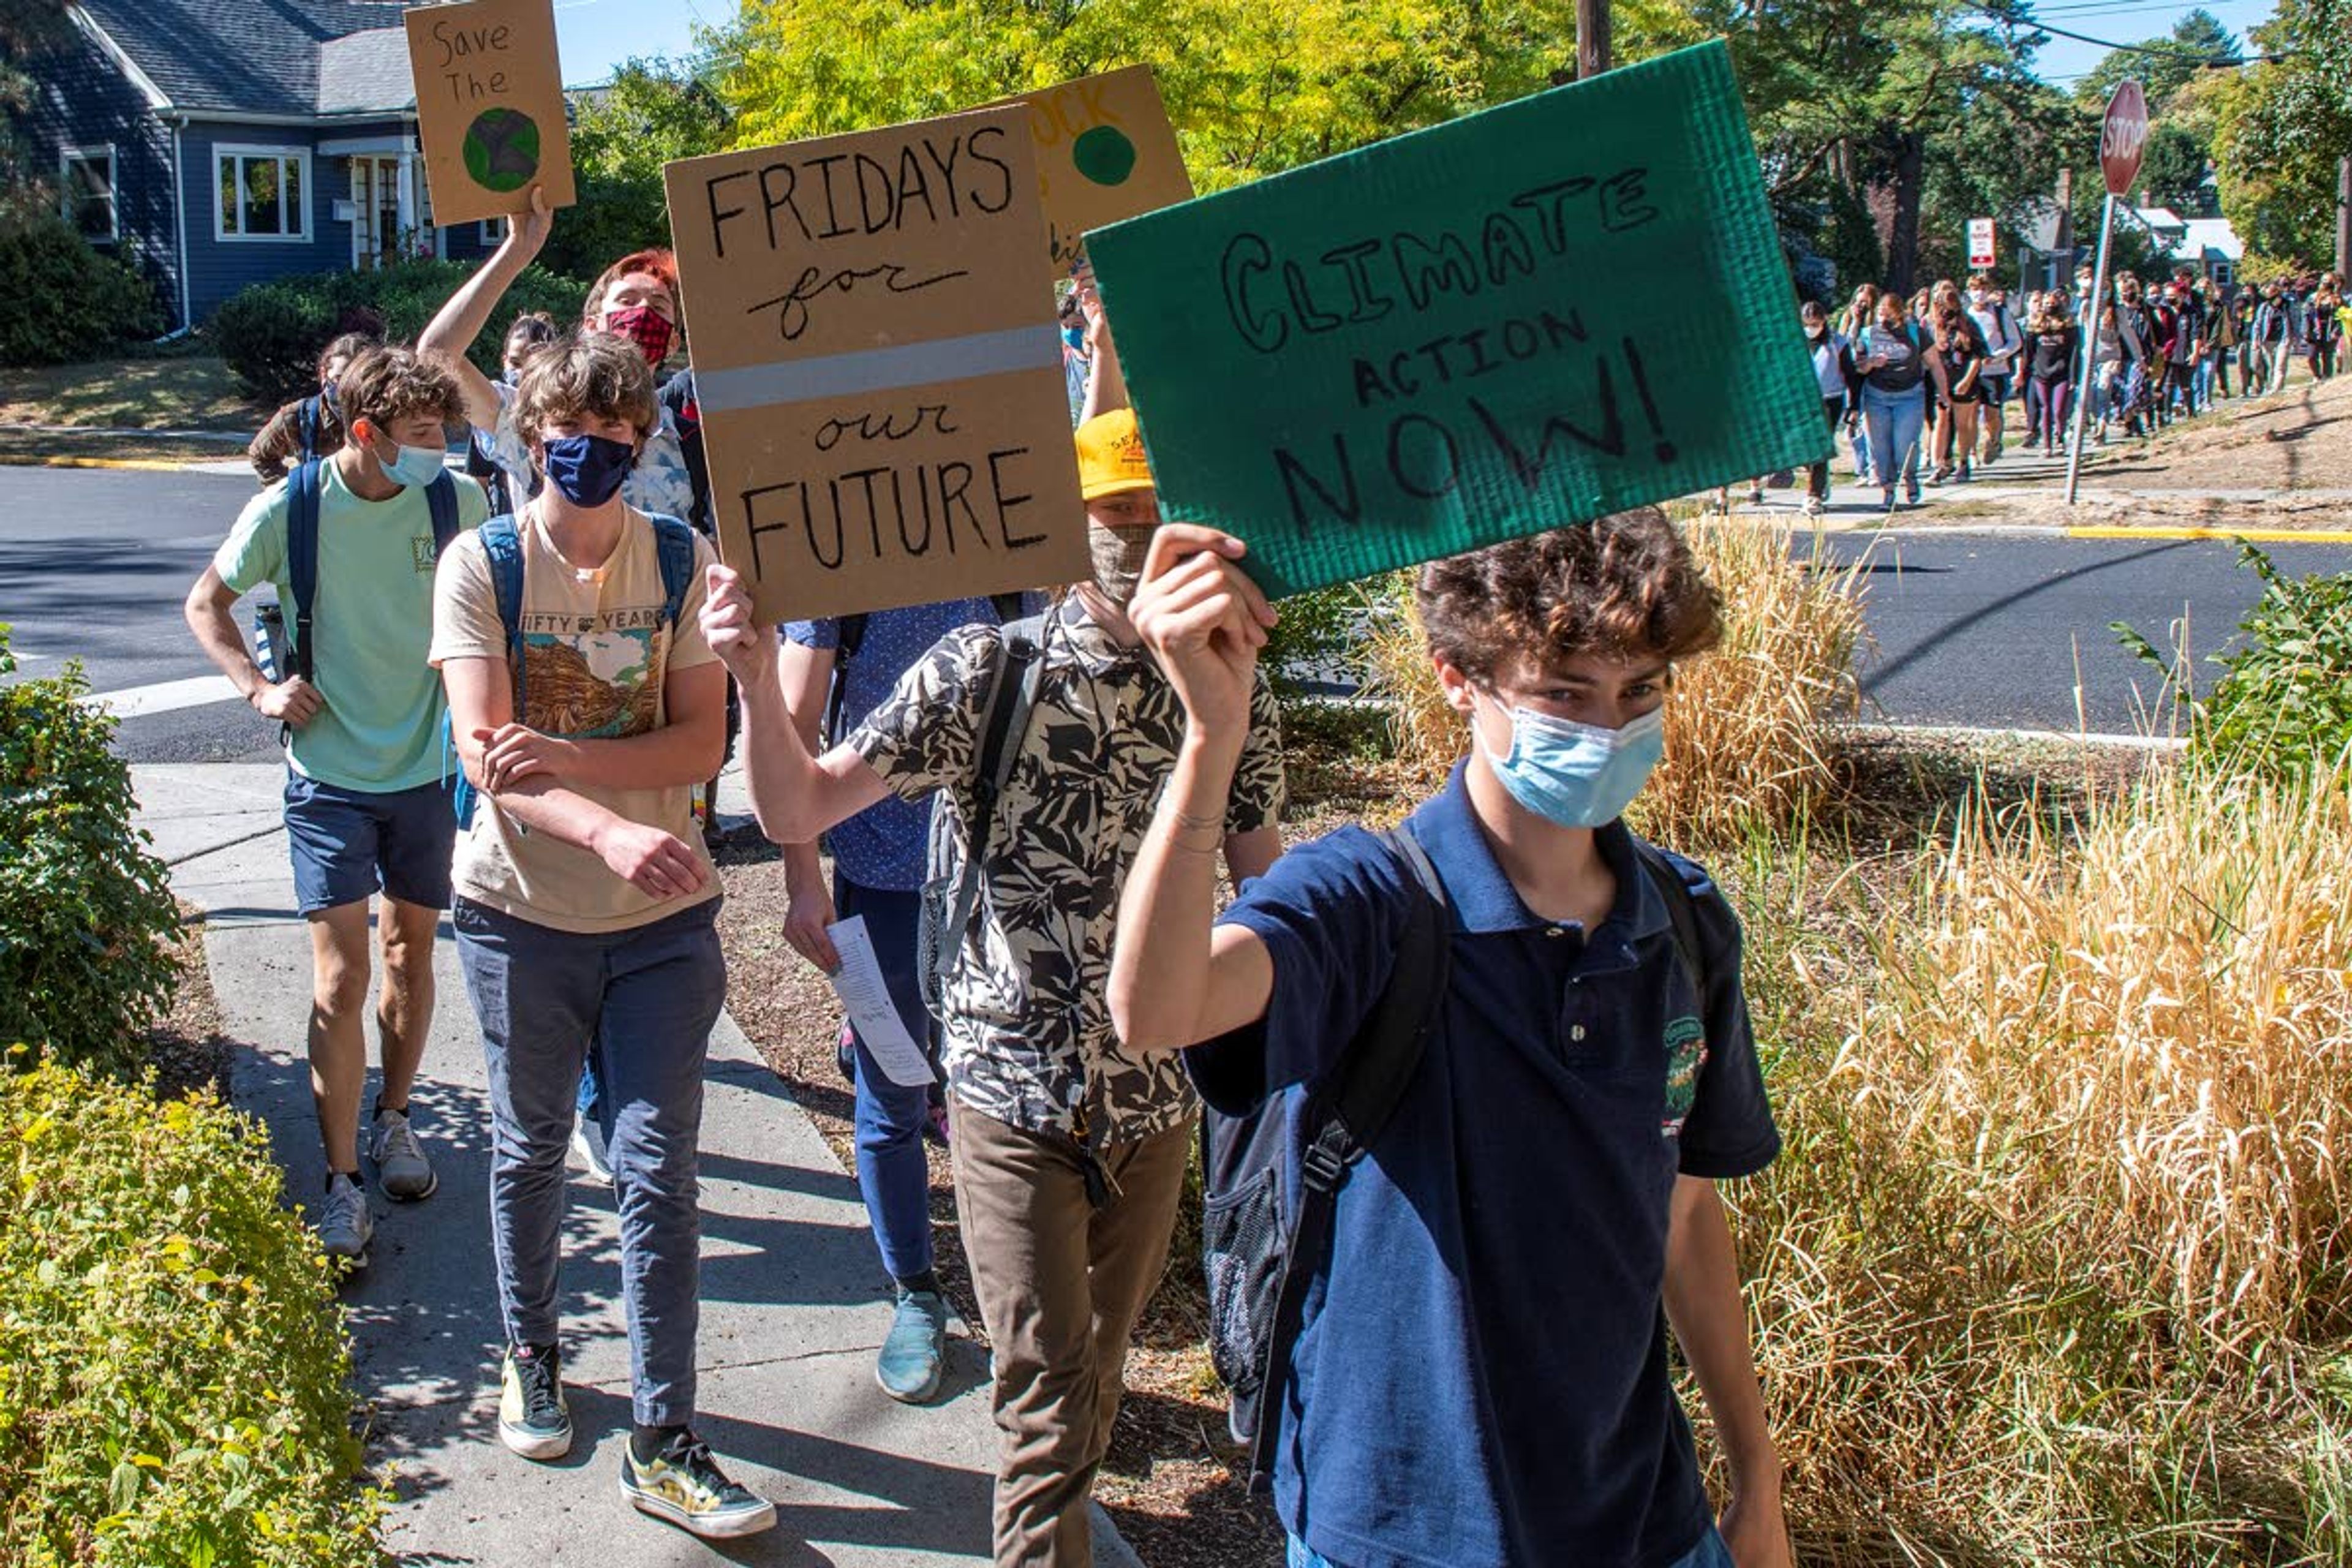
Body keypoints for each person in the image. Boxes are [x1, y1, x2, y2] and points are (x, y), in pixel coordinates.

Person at [1106, 512, 1789, 1568]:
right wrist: (1210, 736)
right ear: (1458, 678)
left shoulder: (1682, 922)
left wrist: (1756, 1479)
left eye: (1639, 691)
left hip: (1645, 1526)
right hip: (1400, 1533)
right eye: (1565, 692)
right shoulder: (1369, 903)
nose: (1606, 730)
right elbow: (1157, 1008)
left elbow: (1686, 1214)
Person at [706, 374, 1287, 1563]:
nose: (1133, 544)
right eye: (1111, 519)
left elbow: (1275, 891)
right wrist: (757, 676)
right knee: (1038, 1395)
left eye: (1153, 518)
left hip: (1155, 1096)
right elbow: (796, 800)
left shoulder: (1230, 685)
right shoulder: (989, 670)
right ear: (1067, 528)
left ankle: (1072, 1524)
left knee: (1093, 1381)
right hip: (1011, 1097)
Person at [430, 332, 774, 1540]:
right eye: (571, 439)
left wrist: (568, 759)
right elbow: (486, 756)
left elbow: (697, 745)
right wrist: (609, 825)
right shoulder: (481, 565)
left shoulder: (680, 558)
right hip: (520, 916)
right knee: (529, 1151)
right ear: (532, 436)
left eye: (618, 446)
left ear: (641, 449)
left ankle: (668, 1432)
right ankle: (533, 1350)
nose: (593, 461)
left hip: (665, 925)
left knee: (658, 1170)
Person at [185, 346, 491, 1266]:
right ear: (366, 434)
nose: (442, 448)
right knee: (340, 976)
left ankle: (396, 1122)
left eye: (445, 431)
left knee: (410, 956)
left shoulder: (458, 502)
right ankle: (341, 1180)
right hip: (328, 777)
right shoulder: (293, 507)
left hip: (429, 773)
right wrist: (259, 690)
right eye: (424, 435)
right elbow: (208, 603)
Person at [772, 586, 1036, 1406]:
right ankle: (915, 1289)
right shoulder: (838, 574)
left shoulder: (1014, 548)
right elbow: (793, 727)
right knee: (893, 1089)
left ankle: (1024, 1294)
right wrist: (801, 879)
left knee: (1002, 1088)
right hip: (885, 876)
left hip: (1004, 880)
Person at [1853, 293, 1945, 510]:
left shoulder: (1915, 333)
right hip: (1877, 397)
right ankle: (1888, 490)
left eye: (1887, 313)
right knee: (1880, 447)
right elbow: (1857, 367)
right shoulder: (1867, 334)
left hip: (1910, 396)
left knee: (1905, 444)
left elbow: (1935, 364)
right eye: (1879, 314)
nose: (1883, 318)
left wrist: (1944, 392)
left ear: (1898, 313)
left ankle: (1910, 477)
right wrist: (1871, 363)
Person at [249, 331, 379, 483]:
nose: (347, 388)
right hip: (321, 506)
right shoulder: (298, 416)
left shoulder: (388, 417)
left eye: (359, 380)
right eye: (340, 378)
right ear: (324, 374)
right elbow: (260, 454)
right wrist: (292, 493)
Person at [1799, 300, 1852, 518]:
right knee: (1805, 449)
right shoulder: (1795, 343)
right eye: (1807, 324)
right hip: (1803, 400)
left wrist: (1855, 406)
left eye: (1816, 324)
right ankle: (1819, 478)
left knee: (1820, 447)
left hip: (1831, 399)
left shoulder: (1837, 343)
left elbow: (1850, 374)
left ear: (1824, 322)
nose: (1811, 328)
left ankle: (1814, 494)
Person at [1965, 275, 2021, 464]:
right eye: (1974, 289)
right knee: (1970, 412)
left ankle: (1993, 440)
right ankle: (1971, 451)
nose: (1979, 293)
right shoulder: (1966, 316)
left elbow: (2015, 341)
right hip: (1971, 372)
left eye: (1982, 289)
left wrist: (1998, 355)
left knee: (1992, 412)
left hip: (1995, 371)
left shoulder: (2000, 314)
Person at [1928, 305, 1983, 485]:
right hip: (1942, 381)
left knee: (1962, 424)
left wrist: (1967, 381)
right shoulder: (1931, 327)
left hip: (1963, 380)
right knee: (1941, 422)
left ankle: (1964, 461)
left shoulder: (1969, 326)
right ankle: (1939, 465)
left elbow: (1977, 356)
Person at [2023, 293, 2079, 458]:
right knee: (2045, 407)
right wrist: (2027, 371)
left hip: (2061, 372)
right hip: (2041, 373)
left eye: (2053, 304)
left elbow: (2074, 352)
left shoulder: (2068, 327)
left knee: (2059, 408)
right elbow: (2030, 351)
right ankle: (2047, 445)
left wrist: (2073, 376)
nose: (2050, 307)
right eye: (2047, 304)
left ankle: (2060, 438)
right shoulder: (2035, 327)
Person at [1836, 285, 1878, 481]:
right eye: (1858, 301)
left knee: (1867, 424)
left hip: (1869, 377)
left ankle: (1873, 467)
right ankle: (1861, 468)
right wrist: (1854, 321)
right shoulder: (1847, 322)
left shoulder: (1874, 326)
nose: (1861, 306)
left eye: (1865, 303)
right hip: (1850, 378)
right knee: (1852, 424)